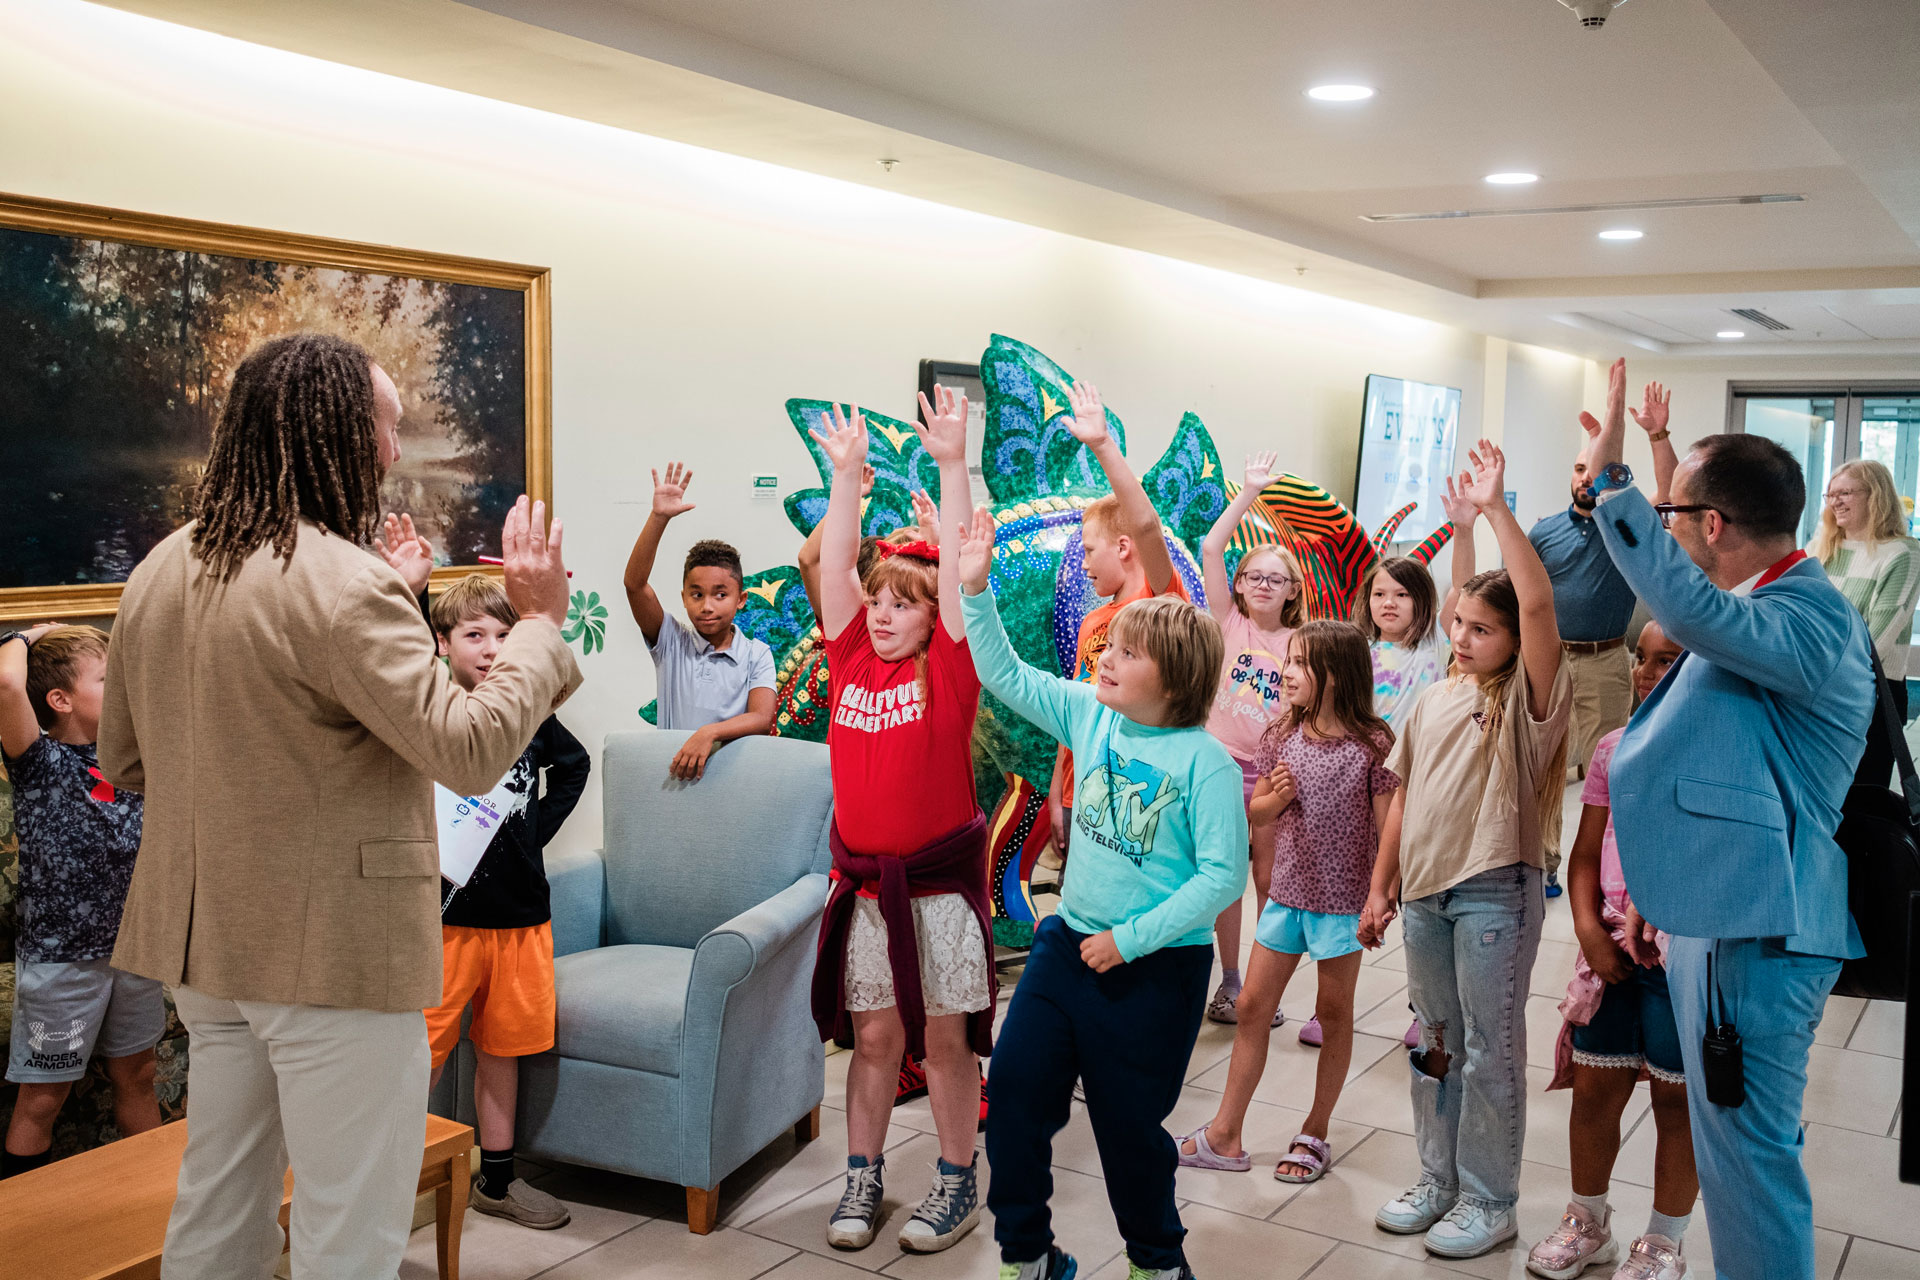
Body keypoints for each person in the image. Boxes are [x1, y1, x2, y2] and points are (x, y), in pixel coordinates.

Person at [98, 332, 581, 1280]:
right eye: (388, 427)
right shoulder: (345, 582)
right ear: (335, 431)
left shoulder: (159, 569)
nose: (395, 452)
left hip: (208, 958)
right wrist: (539, 625)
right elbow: (471, 749)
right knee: (348, 1234)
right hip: (331, 963)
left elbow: (123, 759)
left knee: (219, 1204)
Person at [1583, 357, 1871, 1280]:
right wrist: (1664, 887)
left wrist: (1615, 488)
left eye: (1671, 515)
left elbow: (1688, 610)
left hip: (1767, 927)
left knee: (1749, 1165)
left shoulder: (1807, 615)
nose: (1664, 531)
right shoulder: (1767, 608)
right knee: (1735, 1153)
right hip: (1729, 908)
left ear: (1711, 524)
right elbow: (1723, 765)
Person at [959, 514, 1245, 1280]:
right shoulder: (1090, 714)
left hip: (1153, 971)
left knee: (1127, 1131)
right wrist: (976, 587)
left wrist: (1131, 940)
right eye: (1106, 646)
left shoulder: (1205, 763)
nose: (1104, 660)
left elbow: (1221, 879)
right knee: (1014, 1100)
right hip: (1067, 945)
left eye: (1125, 652)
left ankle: (1156, 1263)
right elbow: (1004, 674)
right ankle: (1029, 1255)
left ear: (1175, 677)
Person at [1361, 438, 1571, 1261]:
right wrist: (1383, 887)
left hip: (1494, 894)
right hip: (1423, 897)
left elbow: (1540, 609)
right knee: (1433, 1045)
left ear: (1514, 643)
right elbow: (1403, 795)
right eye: (1459, 626)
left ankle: (1491, 1200)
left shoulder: (1528, 701)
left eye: (1484, 629)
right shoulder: (1436, 695)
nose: (1464, 638)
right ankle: (1438, 1181)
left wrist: (1494, 512)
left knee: (1490, 1052)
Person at [806, 390, 993, 1255]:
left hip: (939, 887)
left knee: (948, 1040)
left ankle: (958, 1182)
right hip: (867, 890)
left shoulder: (951, 670)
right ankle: (863, 1175)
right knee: (876, 1038)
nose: (880, 613)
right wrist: (847, 478)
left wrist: (955, 465)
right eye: (875, 600)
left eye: (901, 604)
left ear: (930, 618)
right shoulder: (848, 658)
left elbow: (961, 577)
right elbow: (835, 564)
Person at [1174, 620, 1398, 1185]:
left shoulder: (1374, 744)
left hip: (1344, 904)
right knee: (1252, 1005)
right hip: (1288, 899)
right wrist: (1266, 809)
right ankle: (1226, 1132)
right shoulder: (1280, 736)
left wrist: (1380, 895)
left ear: (1337, 674)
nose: (1286, 672)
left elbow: (1387, 828)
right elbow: (1261, 817)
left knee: (1335, 1011)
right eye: (1289, 660)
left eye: (1299, 663)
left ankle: (1315, 1129)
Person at [1528, 618, 1697, 1280]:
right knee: (1595, 1089)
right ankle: (1586, 1219)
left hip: (1680, 960)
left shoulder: (1715, 755)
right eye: (1644, 659)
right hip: (1610, 958)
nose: (1650, 672)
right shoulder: (1612, 749)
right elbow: (1582, 859)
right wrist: (1589, 932)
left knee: (1675, 1101)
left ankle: (1664, 1241)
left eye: (1670, 660)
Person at [423, 574, 590, 1231]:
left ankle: (495, 1181)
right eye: (474, 635)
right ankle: (383, 1191)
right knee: (416, 1054)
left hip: (522, 917)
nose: (491, 649)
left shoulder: (532, 713)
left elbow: (572, 768)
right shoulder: (431, 708)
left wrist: (531, 833)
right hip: (442, 920)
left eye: (504, 635)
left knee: (504, 1048)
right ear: (443, 644)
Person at [0, 624, 159, 1178]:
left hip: (135, 950)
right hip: (63, 960)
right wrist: (25, 635)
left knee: (138, 1076)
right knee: (43, 1099)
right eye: (106, 679)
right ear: (60, 700)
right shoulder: (38, 764)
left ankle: (156, 1206)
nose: (122, 688)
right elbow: (3, 682)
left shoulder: (133, 758)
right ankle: (21, 1230)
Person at [1527, 381, 1678, 891]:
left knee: (1609, 777)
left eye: (1595, 468)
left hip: (1605, 665)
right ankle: (1543, 863)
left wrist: (1657, 434)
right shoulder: (1544, 531)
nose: (1586, 477)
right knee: (1542, 769)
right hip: (1548, 662)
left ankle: (1611, 876)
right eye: (1578, 468)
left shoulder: (1627, 527)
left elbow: (1672, 492)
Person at [1046, 381, 1189, 864]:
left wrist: (1103, 446)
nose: (1083, 564)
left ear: (1123, 549)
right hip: (1078, 784)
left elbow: (1146, 525)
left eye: (1089, 550)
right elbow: (1075, 705)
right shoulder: (1092, 623)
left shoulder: (1159, 601)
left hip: (1135, 788)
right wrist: (1055, 790)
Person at [1197, 449, 1305, 1025]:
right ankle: (1230, 980)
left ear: (1292, 590)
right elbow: (1212, 548)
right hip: (1216, 767)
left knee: (1268, 879)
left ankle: (1265, 987)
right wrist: (1249, 492)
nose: (1263, 584)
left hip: (1270, 776)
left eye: (1276, 578)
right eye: (1254, 576)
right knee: (1223, 880)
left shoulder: (1301, 643)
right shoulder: (1226, 622)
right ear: (1239, 586)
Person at [623, 462, 776, 778]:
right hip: (673, 782)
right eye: (697, 594)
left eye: (720, 595)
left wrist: (708, 733)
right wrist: (659, 518)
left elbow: (762, 717)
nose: (707, 606)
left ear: (741, 600)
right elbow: (634, 585)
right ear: (683, 598)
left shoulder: (756, 654)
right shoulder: (671, 642)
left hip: (732, 784)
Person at [1808, 457, 1920, 784]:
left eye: (1845, 493)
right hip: (1817, 690)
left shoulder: (1904, 552)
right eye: (1830, 495)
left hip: (1869, 696)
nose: (1835, 502)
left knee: (1862, 811)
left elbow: (1877, 642)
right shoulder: (1820, 549)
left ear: (1875, 495)